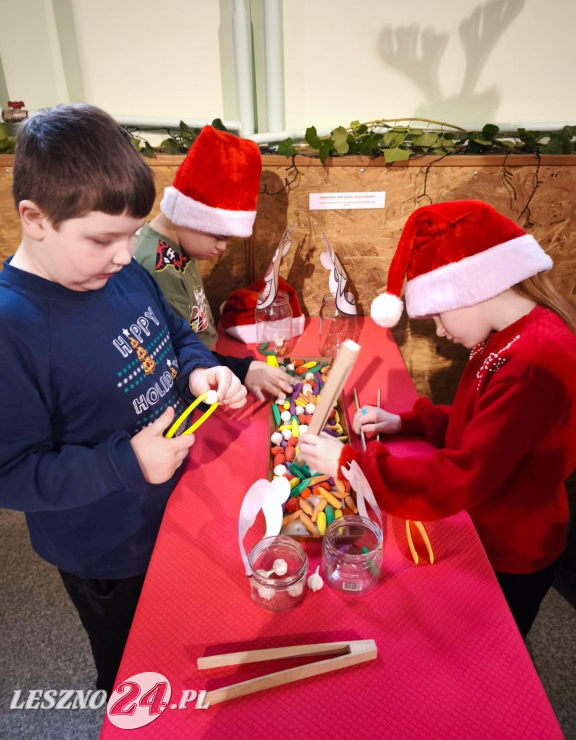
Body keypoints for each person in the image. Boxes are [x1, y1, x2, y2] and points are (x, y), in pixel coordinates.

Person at [0, 104, 248, 696]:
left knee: (185, 641)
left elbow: (177, 335)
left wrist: (196, 372)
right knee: (134, 672)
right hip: (105, 547)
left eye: (133, 234)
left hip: (173, 509)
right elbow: (9, 474)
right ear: (35, 219)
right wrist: (127, 461)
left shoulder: (121, 271)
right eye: (103, 238)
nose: (122, 254)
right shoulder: (13, 327)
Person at [299, 199, 576, 638]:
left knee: (490, 650)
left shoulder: (531, 362)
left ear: (472, 288)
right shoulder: (508, 335)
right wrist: (405, 423)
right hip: (491, 523)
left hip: (511, 549)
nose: (441, 331)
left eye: (439, 315)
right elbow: (483, 424)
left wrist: (348, 464)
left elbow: (462, 474)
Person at [134, 124, 294, 401]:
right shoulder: (157, 265)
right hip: (195, 381)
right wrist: (242, 369)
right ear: (190, 216)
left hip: (210, 362)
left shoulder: (184, 246)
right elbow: (175, 351)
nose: (221, 248)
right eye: (219, 237)